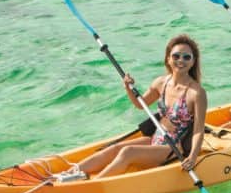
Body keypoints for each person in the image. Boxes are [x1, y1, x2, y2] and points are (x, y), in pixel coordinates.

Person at [57, 35, 207, 181]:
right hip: (156, 138)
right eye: (176, 56)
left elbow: (198, 130)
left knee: (128, 152)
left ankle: (93, 186)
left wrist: (192, 157)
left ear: (193, 62)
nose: (181, 60)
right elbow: (140, 104)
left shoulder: (196, 93)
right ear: (168, 58)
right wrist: (128, 88)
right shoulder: (161, 82)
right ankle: (68, 174)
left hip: (174, 148)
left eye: (187, 57)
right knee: (115, 149)